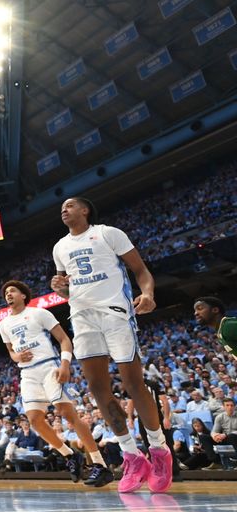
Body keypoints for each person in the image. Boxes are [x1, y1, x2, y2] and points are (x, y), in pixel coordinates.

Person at [51, 197, 172, 493]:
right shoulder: (59, 247)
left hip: (115, 311)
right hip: (81, 316)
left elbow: (141, 271)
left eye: (70, 206)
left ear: (85, 210)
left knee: (133, 384)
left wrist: (147, 294)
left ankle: (159, 451)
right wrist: (62, 289)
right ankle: (132, 455)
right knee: (97, 388)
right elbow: (70, 289)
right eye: (62, 208)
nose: (64, 210)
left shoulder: (108, 233)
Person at [0, 280, 113, 486]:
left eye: (13, 290)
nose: (8, 294)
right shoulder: (3, 324)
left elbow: (64, 339)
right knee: (34, 419)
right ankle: (70, 455)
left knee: (68, 413)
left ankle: (99, 464)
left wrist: (65, 365)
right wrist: (17, 357)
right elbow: (11, 351)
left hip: (49, 367)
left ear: (23, 295)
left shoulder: (39, 313)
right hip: (27, 373)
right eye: (6, 292)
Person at [124, 377, 181, 480]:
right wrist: (130, 418)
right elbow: (130, 404)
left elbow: (165, 401)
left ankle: (174, 472)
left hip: (156, 415)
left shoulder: (152, 383)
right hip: (141, 417)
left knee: (167, 443)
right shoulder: (131, 386)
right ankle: (157, 472)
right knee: (148, 445)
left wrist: (166, 418)